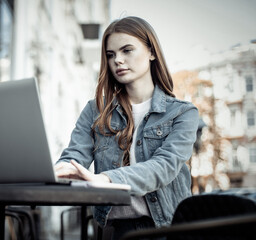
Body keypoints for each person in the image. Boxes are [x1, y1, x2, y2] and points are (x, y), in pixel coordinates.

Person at [54, 16, 199, 239]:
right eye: (110, 55)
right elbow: (75, 156)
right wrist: (60, 168)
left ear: (152, 52)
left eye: (127, 50)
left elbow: (164, 167)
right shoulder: (95, 110)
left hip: (167, 229)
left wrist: (106, 179)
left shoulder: (182, 113)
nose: (117, 61)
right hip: (114, 230)